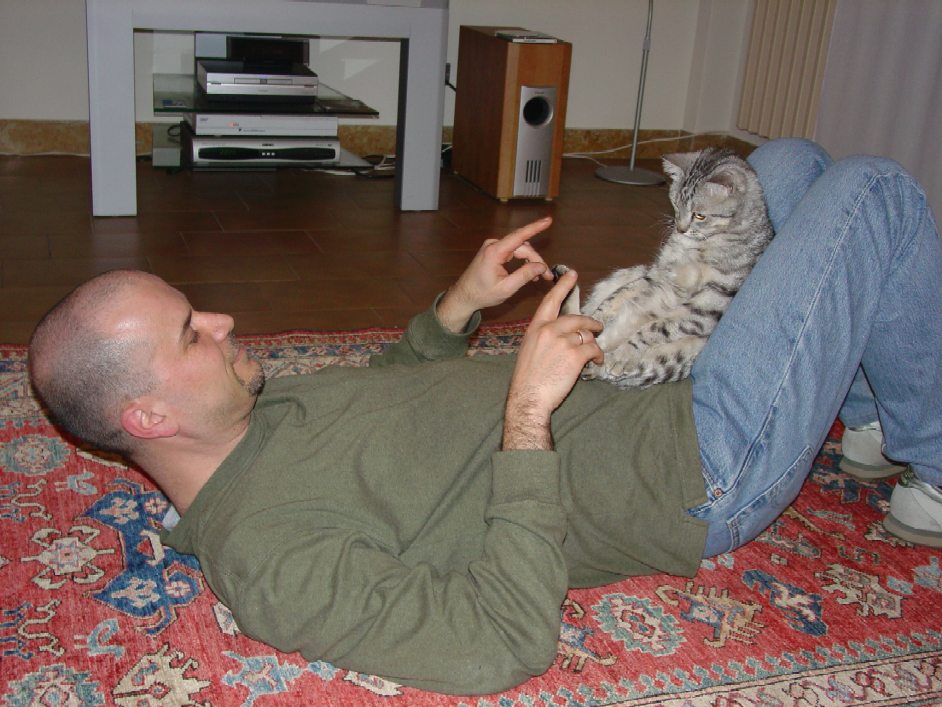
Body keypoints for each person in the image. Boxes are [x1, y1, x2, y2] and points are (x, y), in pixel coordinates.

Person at [28, 139, 942, 695]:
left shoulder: (250, 412)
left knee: (783, 169)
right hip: (694, 460)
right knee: (870, 193)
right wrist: (528, 411)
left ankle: (867, 415)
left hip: (645, 370)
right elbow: (494, 645)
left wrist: (458, 306)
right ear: (150, 416)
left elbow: (388, 395)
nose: (224, 321)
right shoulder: (268, 558)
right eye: (192, 332)